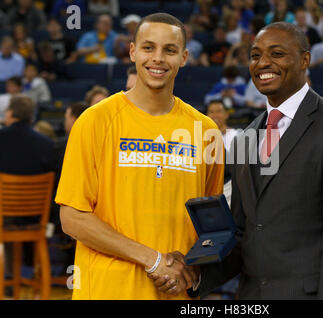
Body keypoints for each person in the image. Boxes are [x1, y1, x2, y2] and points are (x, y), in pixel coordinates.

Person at [155, 21, 323, 299]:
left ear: (305, 60)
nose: (263, 63)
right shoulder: (246, 137)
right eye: (256, 55)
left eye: (277, 54)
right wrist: (197, 274)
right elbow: (240, 235)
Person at [55, 13, 224, 300]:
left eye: (169, 50)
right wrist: (153, 259)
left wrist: (193, 272)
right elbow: (72, 217)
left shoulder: (205, 130)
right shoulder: (95, 121)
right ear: (132, 52)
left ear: (184, 57)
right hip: (108, 290)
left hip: (174, 293)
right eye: (148, 48)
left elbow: (211, 226)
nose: (158, 58)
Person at [0, 95, 54, 295]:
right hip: (35, 220)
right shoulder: (47, 144)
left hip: (3, 218)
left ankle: (6, 278)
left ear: (11, 113)